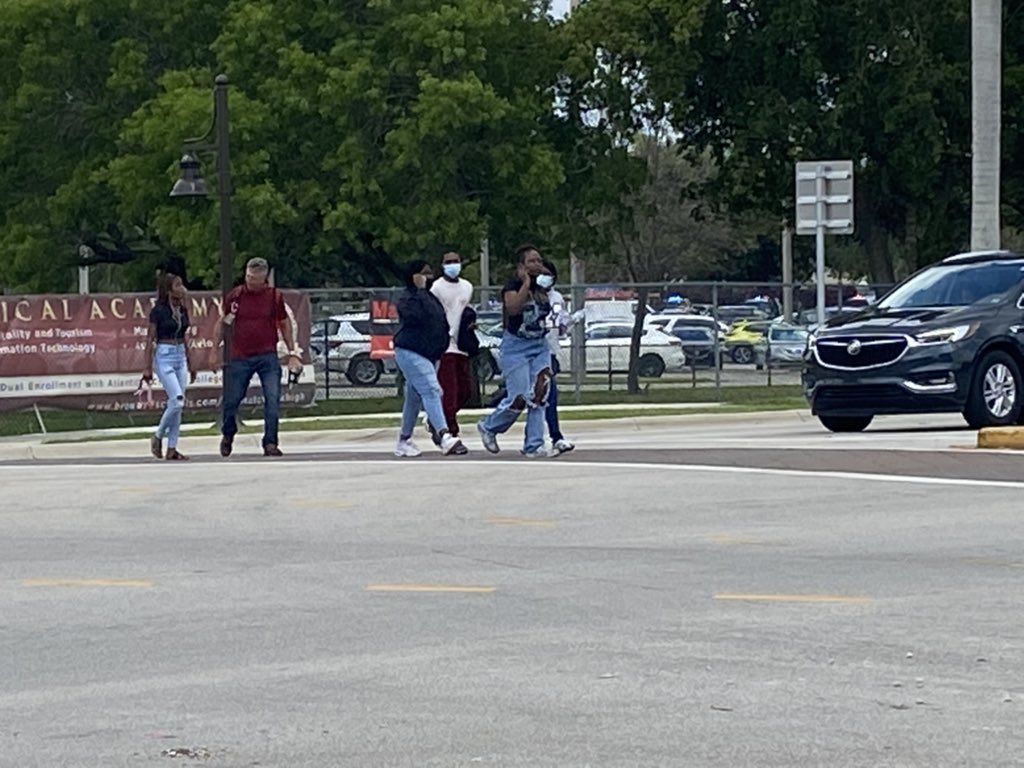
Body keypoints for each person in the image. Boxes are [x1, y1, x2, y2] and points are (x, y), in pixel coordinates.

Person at [215, 257, 302, 458]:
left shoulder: (274, 297)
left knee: (272, 398)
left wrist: (292, 352)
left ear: (264, 278)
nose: (251, 282)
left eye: (255, 279)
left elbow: (284, 323)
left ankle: (270, 442)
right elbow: (224, 322)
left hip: (267, 355)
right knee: (232, 399)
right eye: (248, 277)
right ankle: (228, 433)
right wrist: (214, 348)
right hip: (241, 356)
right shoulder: (236, 296)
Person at [477, 244, 553, 458]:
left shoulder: (542, 287)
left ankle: (534, 445)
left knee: (540, 393)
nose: (537, 264)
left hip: (539, 345)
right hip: (516, 347)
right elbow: (513, 308)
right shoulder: (512, 286)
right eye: (532, 261)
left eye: (539, 260)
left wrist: (540, 280)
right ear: (521, 266)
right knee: (519, 397)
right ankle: (489, 427)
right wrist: (526, 283)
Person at [393, 260, 468, 457]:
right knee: (432, 390)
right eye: (423, 273)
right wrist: (418, 291)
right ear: (414, 275)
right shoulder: (408, 298)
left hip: (431, 354)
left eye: (429, 273)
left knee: (414, 397)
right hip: (410, 351)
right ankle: (444, 435)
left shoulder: (429, 297)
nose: (428, 277)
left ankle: (404, 439)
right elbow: (416, 316)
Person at [143, 273, 195, 461]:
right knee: (177, 399)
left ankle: (172, 448)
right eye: (178, 285)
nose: (182, 288)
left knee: (177, 405)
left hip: (180, 354)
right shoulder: (159, 311)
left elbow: (186, 336)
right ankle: (158, 436)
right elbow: (149, 339)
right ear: (168, 289)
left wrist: (191, 361)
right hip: (164, 354)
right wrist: (147, 367)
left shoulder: (182, 310)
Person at [429, 251, 475, 441]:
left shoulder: (467, 287)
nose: (452, 265)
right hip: (444, 344)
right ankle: (450, 430)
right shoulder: (437, 288)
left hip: (461, 343)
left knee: (465, 391)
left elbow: (464, 310)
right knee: (450, 390)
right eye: (448, 262)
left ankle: (437, 418)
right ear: (442, 265)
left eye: (455, 261)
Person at [541, 259, 575, 455]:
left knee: (550, 395)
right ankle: (491, 426)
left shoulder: (557, 298)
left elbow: (561, 327)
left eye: (548, 274)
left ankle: (556, 437)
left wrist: (569, 322)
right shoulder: (531, 295)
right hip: (532, 351)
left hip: (549, 351)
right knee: (519, 397)